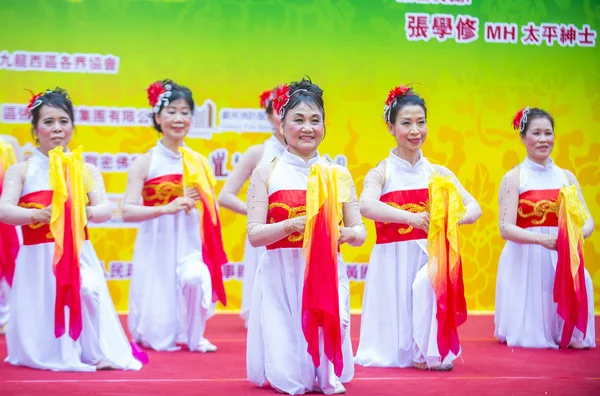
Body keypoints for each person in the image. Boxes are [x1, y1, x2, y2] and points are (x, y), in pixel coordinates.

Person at [0, 88, 141, 371]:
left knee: (87, 290)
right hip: (37, 256)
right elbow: (4, 211)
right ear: (35, 129)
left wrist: (83, 212)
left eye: (64, 121)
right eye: (48, 121)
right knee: (46, 306)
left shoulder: (85, 169)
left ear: (73, 127)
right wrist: (37, 214)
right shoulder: (21, 170)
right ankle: (53, 352)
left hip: (77, 252)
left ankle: (93, 351)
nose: (57, 129)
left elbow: (105, 209)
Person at [246, 78, 366, 395]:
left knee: (337, 323)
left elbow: (360, 232)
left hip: (325, 269)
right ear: (282, 125)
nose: (307, 128)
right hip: (278, 271)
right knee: (292, 374)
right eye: (298, 120)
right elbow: (255, 235)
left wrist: (345, 233)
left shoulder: (337, 173)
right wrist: (288, 226)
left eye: (315, 120)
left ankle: (328, 372)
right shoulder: (266, 172)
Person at [355, 85, 481, 370]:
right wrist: (411, 219)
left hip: (429, 253)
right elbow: (366, 206)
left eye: (421, 122)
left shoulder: (438, 173)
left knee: (425, 287)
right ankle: (407, 353)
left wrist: (452, 219)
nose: (415, 130)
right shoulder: (382, 171)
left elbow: (475, 208)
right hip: (392, 256)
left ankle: (428, 352)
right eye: (406, 123)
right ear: (391, 126)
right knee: (397, 309)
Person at [123, 79, 227, 352]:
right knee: (158, 335)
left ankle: (196, 336)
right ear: (158, 117)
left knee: (195, 278)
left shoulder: (198, 161)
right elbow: (127, 211)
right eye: (171, 112)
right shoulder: (145, 162)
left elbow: (211, 211)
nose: (178, 119)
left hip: (190, 242)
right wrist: (165, 208)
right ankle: (164, 332)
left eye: (185, 112)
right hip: (156, 243)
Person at [495, 107, 595, 349]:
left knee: (585, 282)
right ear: (523, 137)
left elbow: (588, 220)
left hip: (562, 252)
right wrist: (541, 239)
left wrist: (574, 237)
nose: (543, 139)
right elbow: (505, 228)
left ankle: (568, 330)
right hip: (526, 255)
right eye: (536, 133)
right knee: (530, 335)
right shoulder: (514, 178)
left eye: (548, 133)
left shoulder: (567, 177)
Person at [217, 85, 286, 327]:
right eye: (280, 110)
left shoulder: (311, 155)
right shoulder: (258, 152)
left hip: (298, 232)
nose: (286, 115)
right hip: (265, 233)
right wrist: (258, 213)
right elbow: (225, 196)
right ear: (269, 116)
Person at [0, 134, 23, 335]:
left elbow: (24, 182)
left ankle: (8, 315)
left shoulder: (8, 143)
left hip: (5, 217)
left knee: (9, 262)